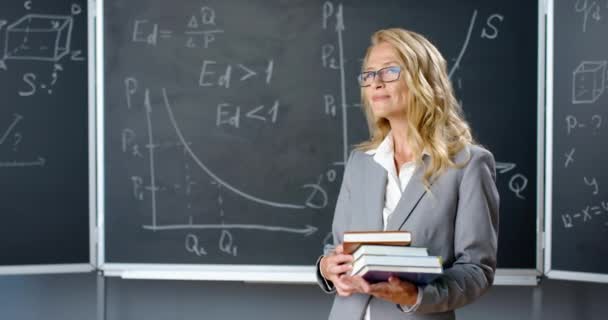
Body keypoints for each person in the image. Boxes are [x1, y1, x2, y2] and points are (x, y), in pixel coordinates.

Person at [316, 28, 500, 320]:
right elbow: (339, 246)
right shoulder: (361, 162)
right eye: (368, 74)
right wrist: (328, 267)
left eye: (389, 71)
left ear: (423, 79)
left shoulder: (468, 165)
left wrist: (418, 296)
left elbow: (477, 271)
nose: (375, 82)